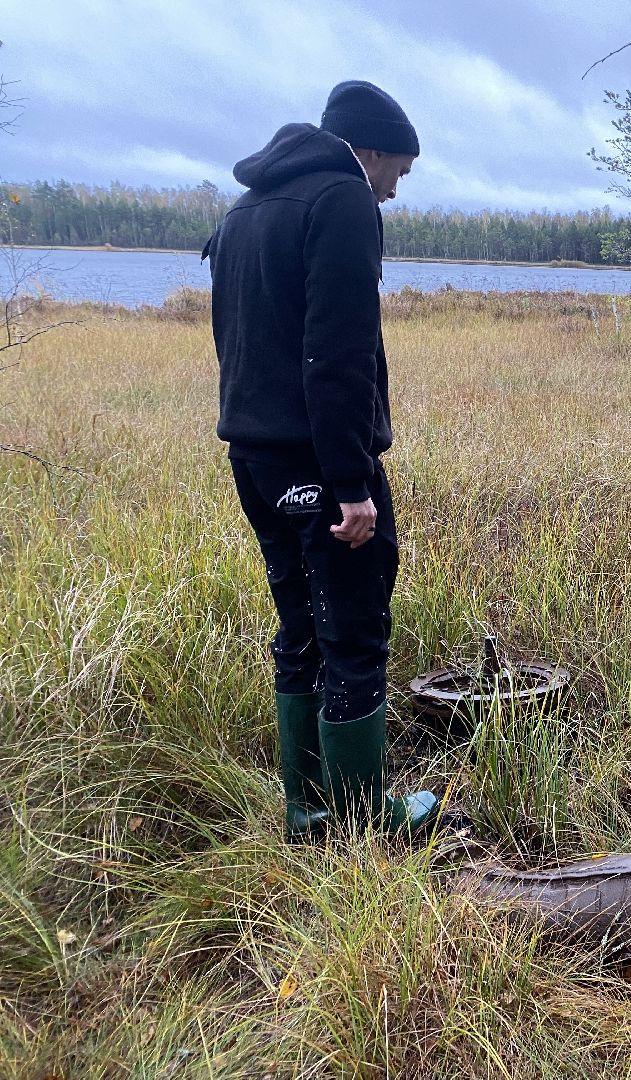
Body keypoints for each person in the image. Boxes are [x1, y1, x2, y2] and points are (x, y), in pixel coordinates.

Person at [204, 80, 437, 840]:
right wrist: (350, 482)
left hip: (253, 460)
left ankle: (305, 809)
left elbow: (240, 344)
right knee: (354, 628)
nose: (393, 192)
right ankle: (366, 819)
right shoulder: (342, 201)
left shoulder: (245, 210)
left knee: (299, 626)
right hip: (320, 463)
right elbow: (336, 355)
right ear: (367, 151)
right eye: (396, 172)